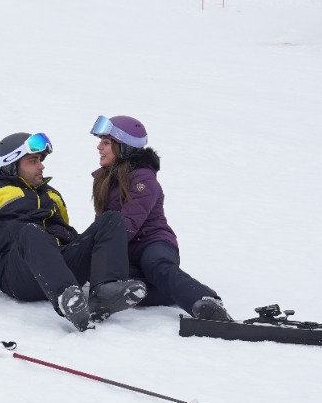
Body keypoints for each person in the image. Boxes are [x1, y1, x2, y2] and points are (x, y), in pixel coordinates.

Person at [0, 131, 147, 331]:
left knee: (112, 219)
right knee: (30, 231)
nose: (41, 166)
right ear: (11, 165)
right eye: (33, 161)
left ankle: (105, 290)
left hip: (57, 266)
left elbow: (68, 235)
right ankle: (68, 299)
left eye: (40, 159)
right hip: (18, 275)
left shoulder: (52, 195)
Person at [89, 115, 233, 323]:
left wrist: (97, 250)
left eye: (106, 142)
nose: (99, 147)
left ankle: (205, 301)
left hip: (153, 242)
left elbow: (126, 226)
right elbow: (103, 224)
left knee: (155, 265)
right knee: (128, 288)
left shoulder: (143, 181)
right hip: (126, 250)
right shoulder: (104, 178)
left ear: (124, 147)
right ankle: (172, 290)